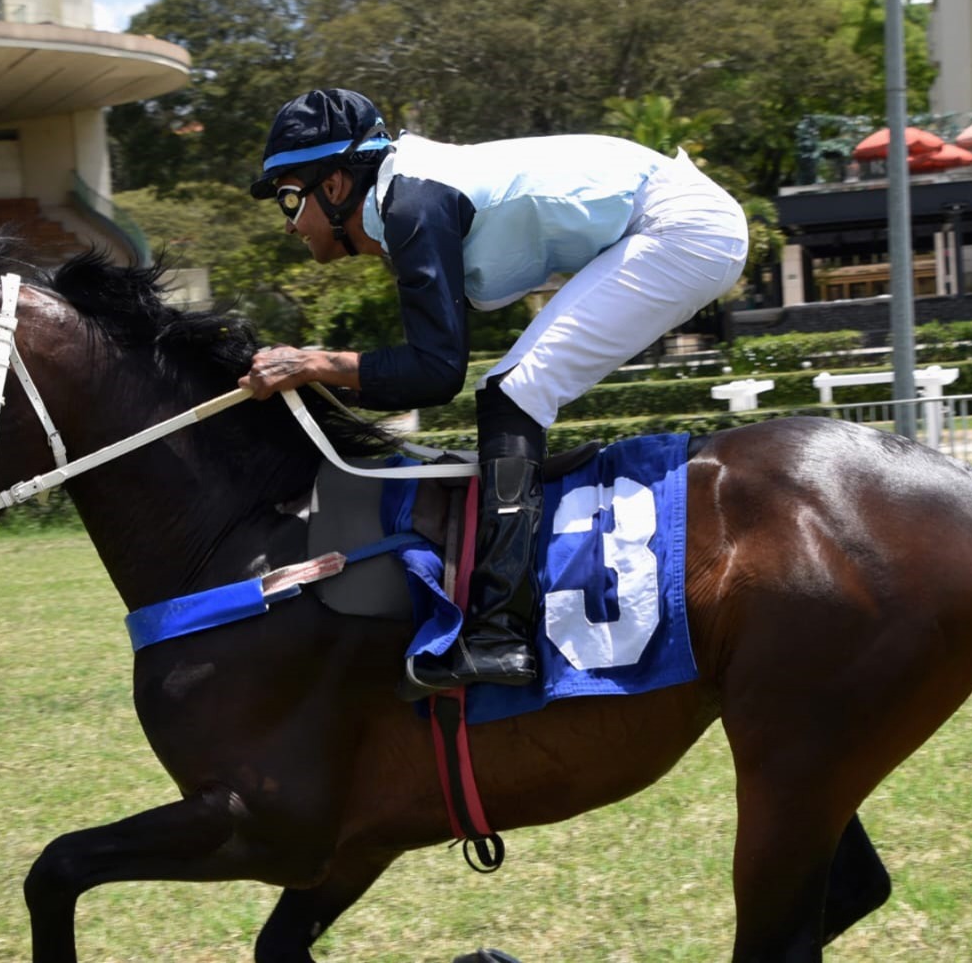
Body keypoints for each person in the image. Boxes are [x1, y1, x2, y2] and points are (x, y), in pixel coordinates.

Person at [238, 88, 748, 693]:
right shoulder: (405, 196)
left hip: (682, 228)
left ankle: (500, 636)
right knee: (508, 389)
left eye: (289, 198)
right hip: (671, 220)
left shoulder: (412, 203)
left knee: (513, 392)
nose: (289, 223)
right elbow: (425, 366)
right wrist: (321, 373)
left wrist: (313, 363)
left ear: (336, 185)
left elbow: (434, 372)